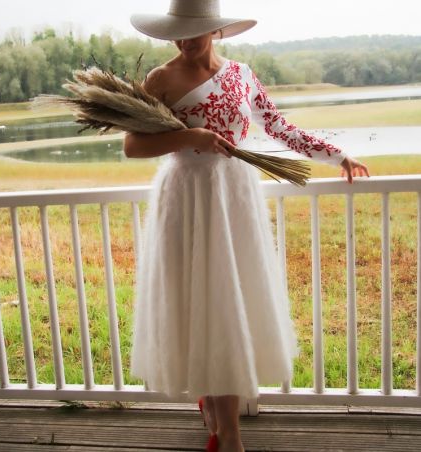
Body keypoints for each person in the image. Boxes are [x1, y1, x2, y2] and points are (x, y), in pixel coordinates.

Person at [125, 1, 370, 451]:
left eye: (193, 33)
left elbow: (278, 127)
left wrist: (337, 156)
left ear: (216, 31)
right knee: (200, 302)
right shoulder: (160, 79)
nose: (184, 42)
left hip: (233, 197)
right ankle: (229, 435)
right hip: (187, 197)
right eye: (177, 34)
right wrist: (189, 137)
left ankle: (225, 427)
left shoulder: (241, 75)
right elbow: (133, 146)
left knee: (229, 301)